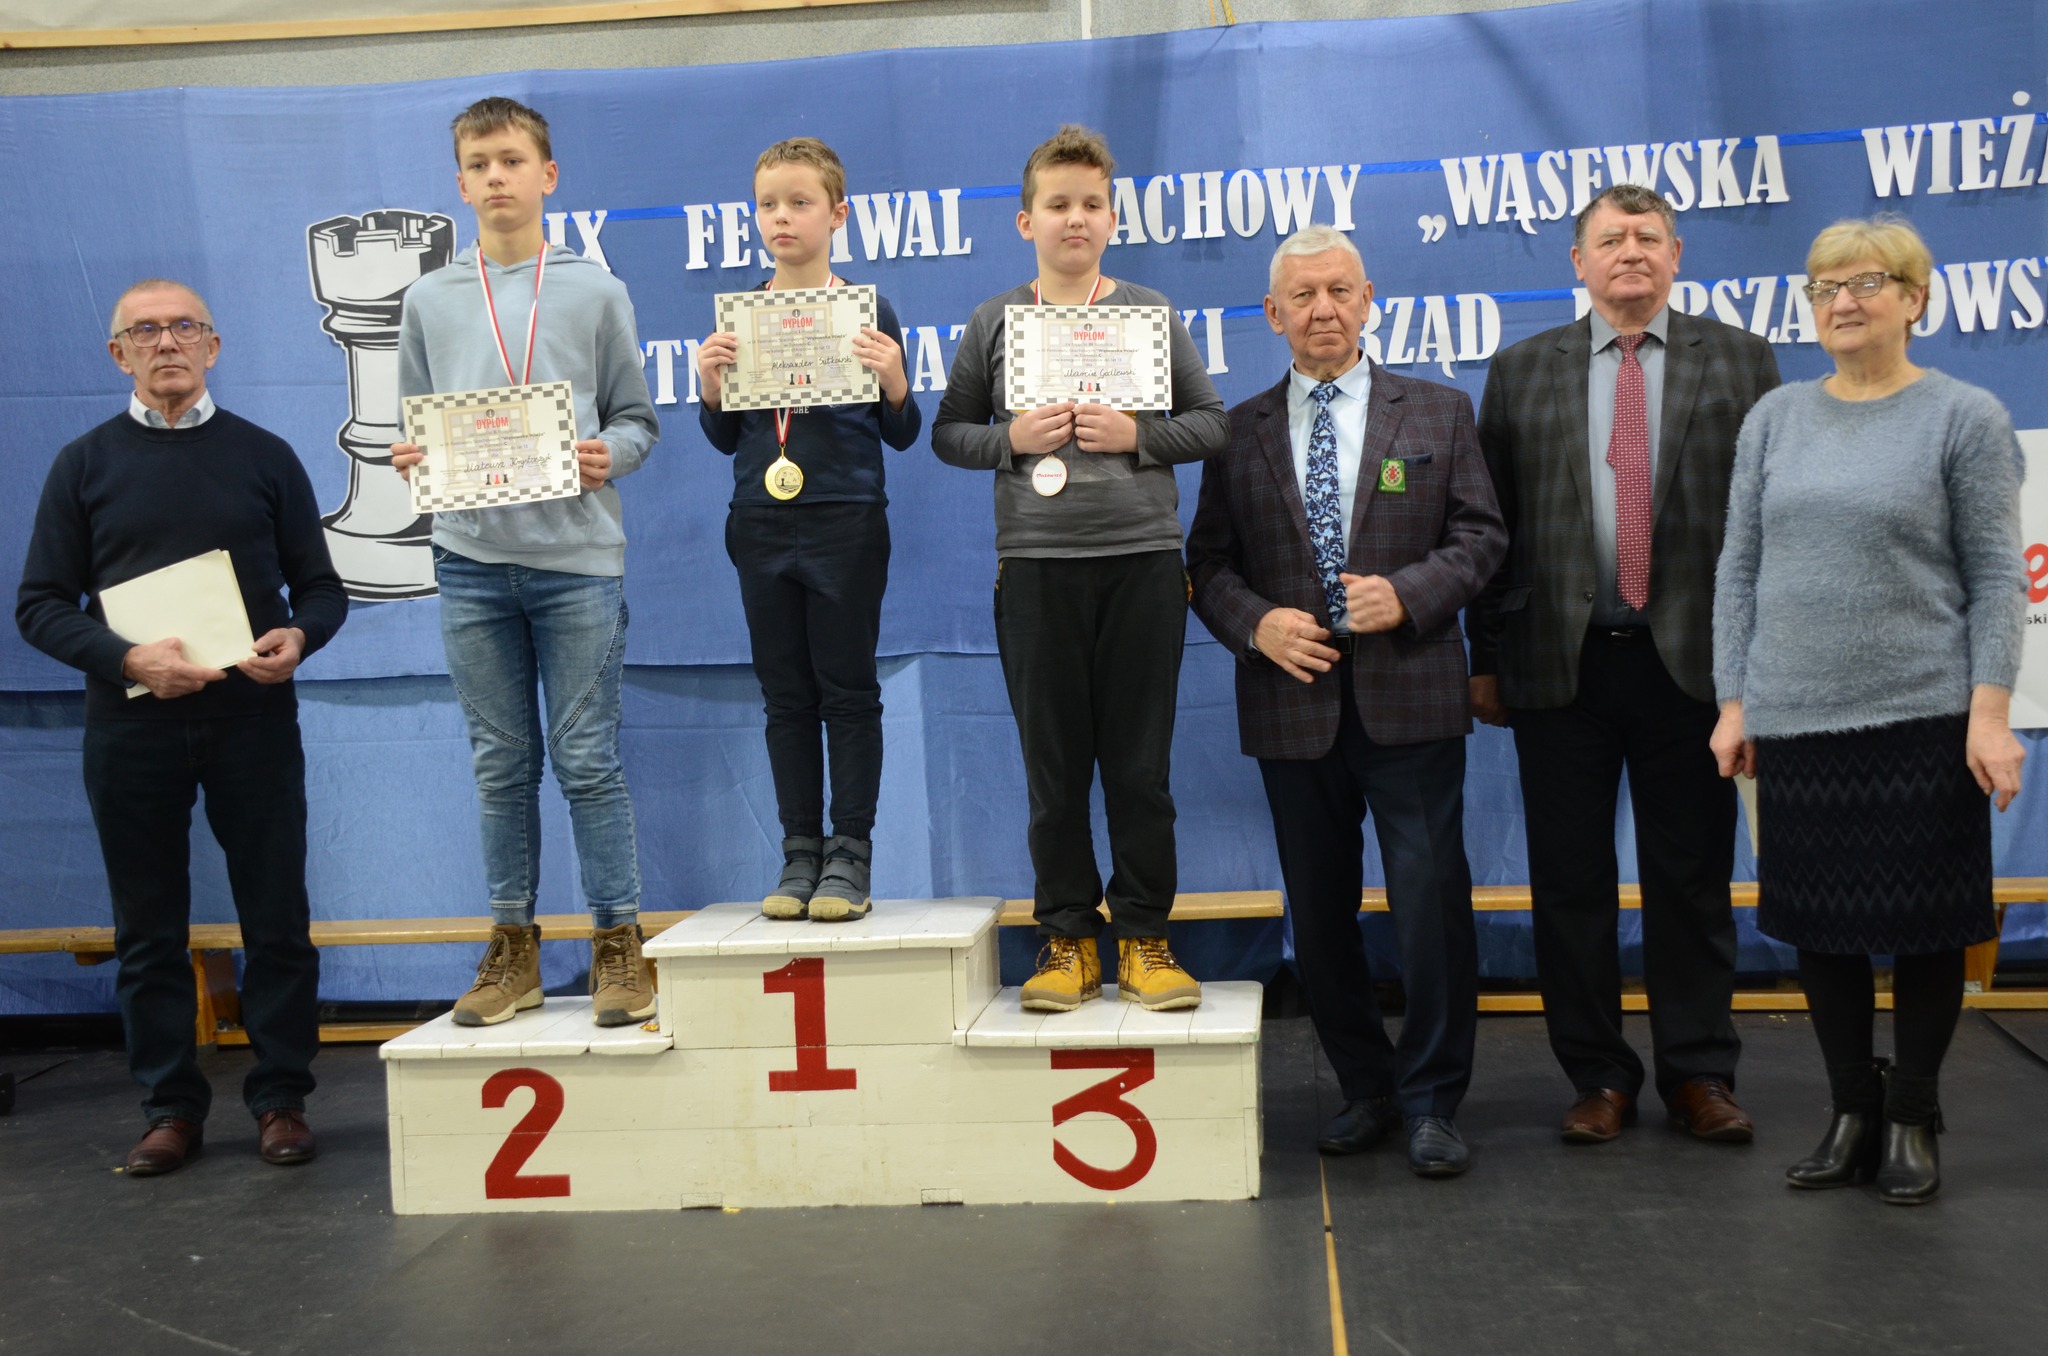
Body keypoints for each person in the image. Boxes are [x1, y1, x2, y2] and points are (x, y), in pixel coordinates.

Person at [1711, 215, 2026, 1205]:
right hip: (1795, 720)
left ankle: (1912, 1112)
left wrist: (1987, 715)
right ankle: (1851, 1106)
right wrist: (1734, 701)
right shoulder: (1774, 419)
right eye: (1823, 287)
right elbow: (1738, 571)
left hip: (1923, 718)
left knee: (1929, 926)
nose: (1841, 302)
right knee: (1821, 929)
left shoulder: (1963, 416)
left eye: (1865, 283)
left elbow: (1997, 578)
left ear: (1913, 298)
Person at [1187, 228, 1505, 1175]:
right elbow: (1207, 564)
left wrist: (1408, 594)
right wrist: (1256, 625)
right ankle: (1366, 1089)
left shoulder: (1441, 411)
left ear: (1369, 300)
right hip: (1293, 704)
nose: (1322, 309)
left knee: (1430, 905)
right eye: (1302, 296)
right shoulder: (1234, 431)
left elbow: (1482, 537)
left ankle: (1434, 1102)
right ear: (1272, 314)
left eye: (1339, 291)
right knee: (1319, 914)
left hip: (1413, 696)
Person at [1468, 182, 1780, 1145]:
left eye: (1648, 236)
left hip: (1696, 669)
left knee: (1692, 880)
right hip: (1559, 668)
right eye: (1611, 238)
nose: (1630, 251)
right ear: (1579, 261)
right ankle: (1598, 1075)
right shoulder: (1521, 370)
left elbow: (1771, 522)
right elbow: (1490, 530)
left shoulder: (1741, 359)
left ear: (1676, 254)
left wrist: (1761, 671)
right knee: (1569, 885)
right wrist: (1486, 660)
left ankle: (1699, 1073)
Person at [17, 279, 347, 1175]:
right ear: (118, 354)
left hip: (252, 720)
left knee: (276, 919)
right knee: (147, 929)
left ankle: (281, 1098)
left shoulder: (265, 456)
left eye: (184, 328)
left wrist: (300, 636)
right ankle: (169, 1107)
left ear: (213, 346)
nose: (167, 343)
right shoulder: (82, 465)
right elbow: (40, 606)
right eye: (146, 331)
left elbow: (321, 589)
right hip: (132, 732)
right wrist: (128, 659)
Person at [932, 125, 1228, 1012]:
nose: (1075, 218)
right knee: (1054, 772)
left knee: (1140, 770)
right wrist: (1011, 440)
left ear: (1111, 219)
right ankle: (1067, 939)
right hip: (1036, 570)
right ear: (1026, 220)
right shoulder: (994, 321)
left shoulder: (1149, 313)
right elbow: (948, 433)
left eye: (1091, 204)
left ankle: (1143, 938)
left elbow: (1212, 423)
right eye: (1057, 204)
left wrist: (1139, 435)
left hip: (1143, 566)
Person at [391, 97, 660, 1028]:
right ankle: (513, 948)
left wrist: (609, 454)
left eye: (511, 160)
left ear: (548, 175)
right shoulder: (429, 299)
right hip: (470, 562)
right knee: (500, 767)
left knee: (586, 761)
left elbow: (637, 420)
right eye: (479, 164)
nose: (496, 177)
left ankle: (618, 941)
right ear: (460, 184)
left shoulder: (595, 289)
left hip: (577, 561)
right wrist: (414, 456)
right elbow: (414, 422)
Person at [696, 137, 922, 921]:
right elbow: (725, 438)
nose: (781, 218)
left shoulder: (868, 311)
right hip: (759, 522)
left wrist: (895, 382)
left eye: (799, 202)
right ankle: (799, 853)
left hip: (846, 522)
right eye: (768, 204)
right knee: (785, 696)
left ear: (838, 214)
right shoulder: (741, 316)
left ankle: (849, 855)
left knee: (847, 692)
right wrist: (710, 387)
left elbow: (903, 434)